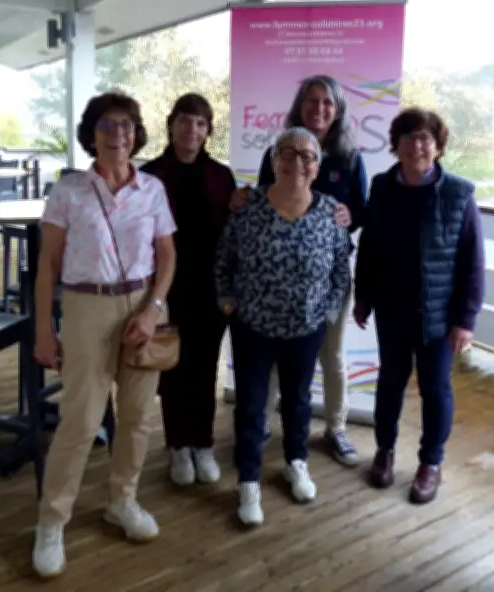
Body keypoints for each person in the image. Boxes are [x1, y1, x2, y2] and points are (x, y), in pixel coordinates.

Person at [32, 93, 177, 579]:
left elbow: (168, 256)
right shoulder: (69, 191)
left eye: (128, 125)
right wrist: (43, 331)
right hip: (85, 307)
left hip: (142, 306)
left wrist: (153, 309)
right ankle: (52, 521)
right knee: (80, 420)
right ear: (91, 134)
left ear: (137, 133)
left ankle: (123, 500)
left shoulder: (152, 189)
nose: (120, 133)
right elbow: (47, 267)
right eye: (109, 125)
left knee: (136, 418)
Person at [216, 127, 351, 525]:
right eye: (287, 154)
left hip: (306, 330)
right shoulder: (249, 206)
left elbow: (341, 271)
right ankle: (249, 481)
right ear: (274, 161)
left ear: (317, 166)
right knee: (252, 406)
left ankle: (296, 462)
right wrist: (226, 299)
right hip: (253, 327)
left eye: (307, 156)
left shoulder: (330, 212)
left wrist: (326, 312)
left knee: (296, 402)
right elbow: (224, 258)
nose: (297, 162)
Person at [230, 75, 367, 466]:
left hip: (325, 280)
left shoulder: (349, 157)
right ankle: (266, 422)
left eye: (327, 102)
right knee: (272, 355)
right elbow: (261, 199)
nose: (319, 108)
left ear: (337, 110)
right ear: (300, 106)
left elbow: (362, 210)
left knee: (331, 355)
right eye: (312, 101)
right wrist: (241, 199)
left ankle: (336, 428)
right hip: (275, 279)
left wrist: (349, 214)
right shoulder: (279, 148)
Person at [353, 107, 485, 505]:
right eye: (409, 137)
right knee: (390, 383)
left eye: (426, 137)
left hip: (440, 317)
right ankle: (385, 451)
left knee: (436, 389)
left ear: (438, 146)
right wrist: (364, 297)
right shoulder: (382, 186)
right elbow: (370, 248)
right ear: (397, 145)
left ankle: (431, 463)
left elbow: (472, 260)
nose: (417, 145)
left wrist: (466, 319)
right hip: (392, 309)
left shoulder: (458, 193)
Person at [141, 93, 236, 486]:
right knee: (171, 368)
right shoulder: (149, 175)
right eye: (184, 120)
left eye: (200, 123)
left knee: (204, 366)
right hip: (164, 288)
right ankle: (178, 445)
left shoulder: (221, 176)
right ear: (171, 124)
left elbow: (232, 236)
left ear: (208, 131)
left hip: (209, 290)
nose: (191, 129)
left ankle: (203, 443)